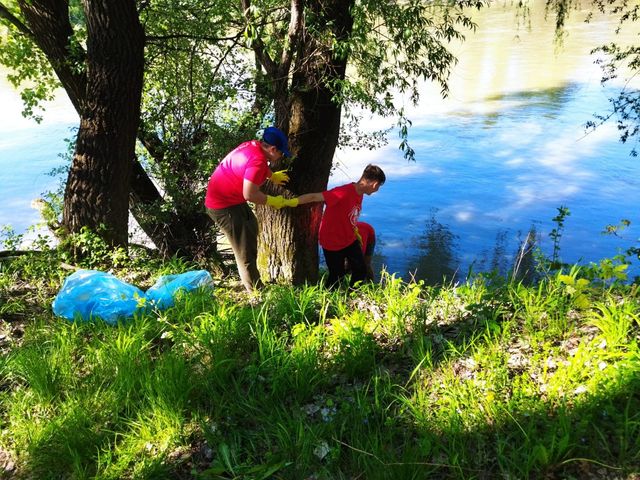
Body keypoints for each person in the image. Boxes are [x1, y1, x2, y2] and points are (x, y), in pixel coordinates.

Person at [204, 127, 298, 292]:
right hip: (223, 206)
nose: (282, 156)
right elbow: (249, 194)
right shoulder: (257, 161)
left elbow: (253, 167)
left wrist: (271, 176)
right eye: (281, 153)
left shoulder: (253, 145)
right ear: (272, 149)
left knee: (251, 227)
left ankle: (254, 283)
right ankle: (256, 293)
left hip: (230, 200)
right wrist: (273, 201)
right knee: (245, 252)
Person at [297, 164, 386, 287]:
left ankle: (353, 295)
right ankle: (328, 296)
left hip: (349, 239)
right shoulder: (343, 192)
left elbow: (348, 215)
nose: (377, 190)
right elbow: (314, 196)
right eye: (378, 187)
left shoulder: (359, 193)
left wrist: (355, 231)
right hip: (332, 241)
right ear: (375, 184)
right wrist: (290, 202)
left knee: (361, 270)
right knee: (337, 276)